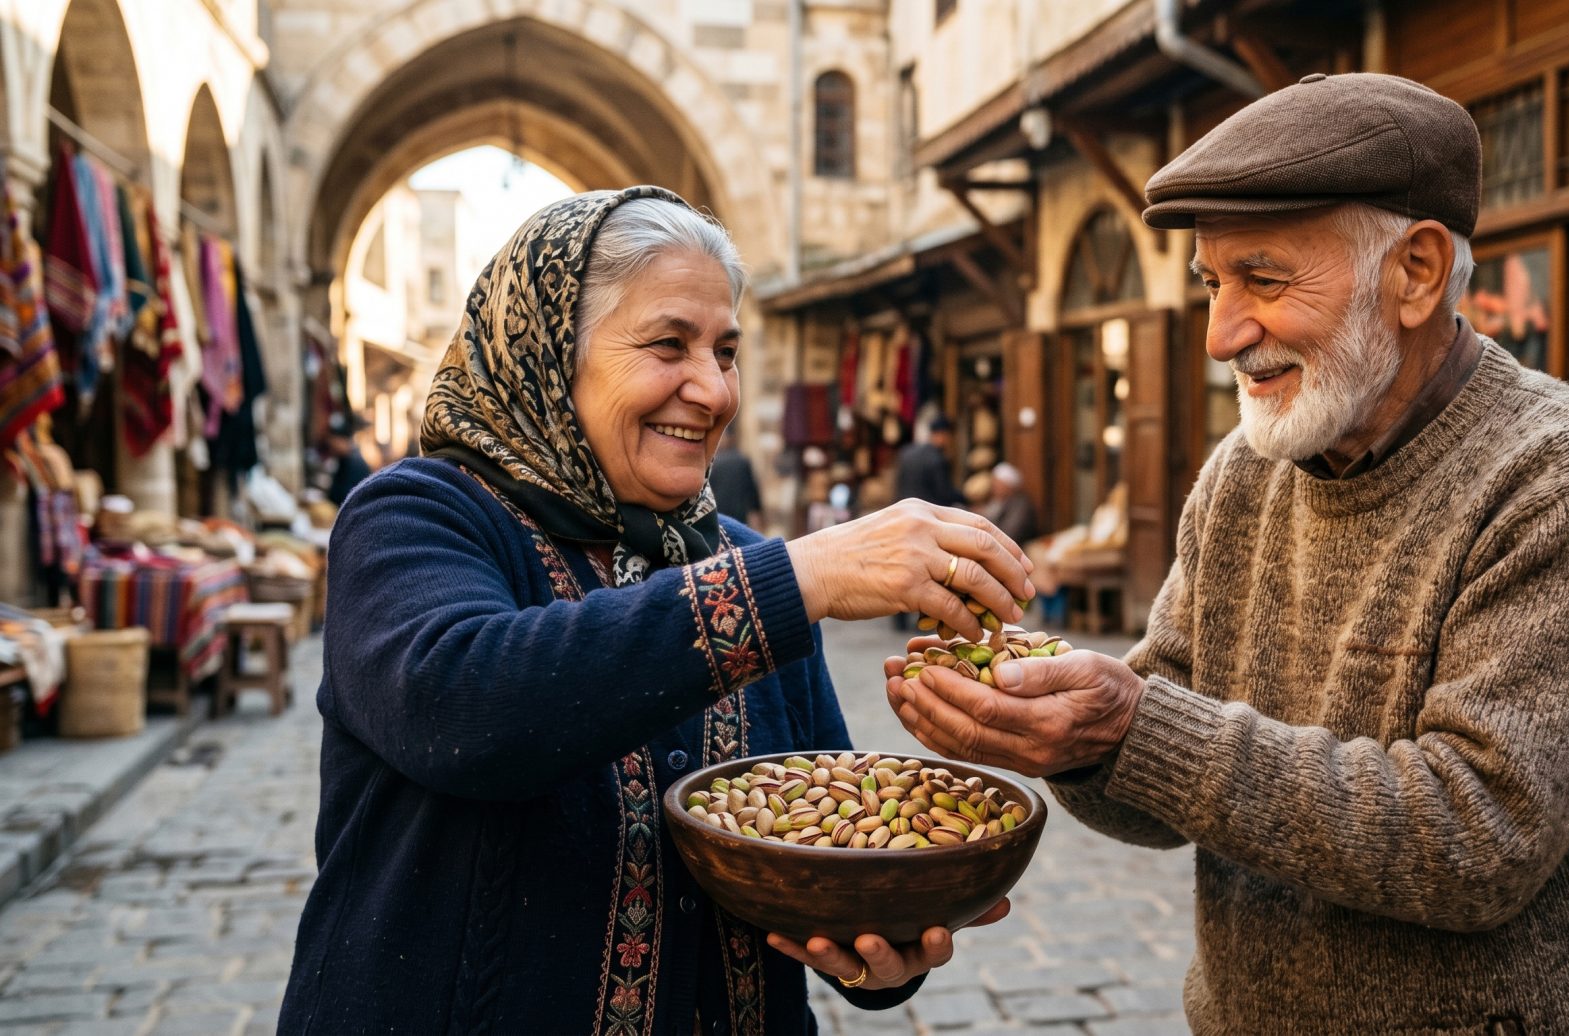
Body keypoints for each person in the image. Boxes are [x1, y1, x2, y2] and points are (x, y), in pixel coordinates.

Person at [884, 74, 1569, 1033]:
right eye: (1213, 283)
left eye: (1264, 279)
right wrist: (1067, 739)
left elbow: (1478, 839)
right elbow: (1163, 793)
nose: (1224, 332)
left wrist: (1129, 730)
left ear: (1417, 273)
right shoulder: (1245, 476)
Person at [280, 187, 1036, 1035]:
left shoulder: (748, 562)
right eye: (668, 345)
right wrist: (800, 577)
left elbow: (821, 854)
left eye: (726, 350)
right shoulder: (417, 516)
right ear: (547, 356)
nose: (712, 391)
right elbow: (458, 707)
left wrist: (879, 948)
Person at [894, 416, 964, 507]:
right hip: (926, 512)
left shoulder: (906, 452)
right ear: (944, 435)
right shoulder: (937, 459)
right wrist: (965, 498)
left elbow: (898, 485)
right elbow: (944, 493)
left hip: (905, 509)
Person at [708, 434, 764, 527]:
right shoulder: (741, 460)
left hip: (718, 513)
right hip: (739, 514)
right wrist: (757, 511)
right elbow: (752, 489)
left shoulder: (711, 463)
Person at [980, 462, 1037, 548]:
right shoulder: (999, 500)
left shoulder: (1020, 505)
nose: (994, 487)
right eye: (994, 483)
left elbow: (1010, 533)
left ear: (1009, 485)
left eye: (998, 483)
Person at [323, 427, 370, 506]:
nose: (332, 448)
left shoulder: (354, 462)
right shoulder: (343, 459)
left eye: (334, 443)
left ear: (343, 441)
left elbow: (347, 494)